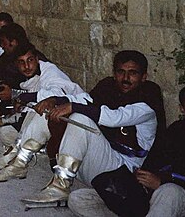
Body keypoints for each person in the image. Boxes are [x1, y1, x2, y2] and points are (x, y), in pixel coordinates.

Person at [20, 50, 166, 207]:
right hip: (99, 162)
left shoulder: (149, 99)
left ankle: (60, 185)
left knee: (81, 117)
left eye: (132, 73)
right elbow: (84, 99)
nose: (125, 78)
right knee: (55, 111)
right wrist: (53, 100)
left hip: (124, 171)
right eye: (121, 72)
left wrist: (73, 107)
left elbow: (115, 117)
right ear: (114, 73)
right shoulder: (109, 86)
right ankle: (21, 158)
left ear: (144, 76)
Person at [68, 83, 185, 217]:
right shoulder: (175, 130)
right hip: (152, 200)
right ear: (182, 109)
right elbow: (155, 160)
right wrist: (140, 177)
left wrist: (162, 182)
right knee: (79, 199)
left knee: (170, 191)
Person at [0, 42, 86, 182]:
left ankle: (20, 160)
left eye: (30, 60)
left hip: (73, 127)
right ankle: (19, 153)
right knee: (6, 132)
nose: (27, 66)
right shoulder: (29, 78)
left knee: (44, 110)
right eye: (21, 63)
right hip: (49, 127)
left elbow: (55, 94)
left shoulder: (50, 72)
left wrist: (22, 97)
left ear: (37, 60)